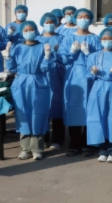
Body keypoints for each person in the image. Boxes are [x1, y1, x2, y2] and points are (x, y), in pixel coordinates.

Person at [59, 8, 102, 157]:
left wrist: (88, 54)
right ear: (76, 19)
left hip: (90, 77)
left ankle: (86, 143)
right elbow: (63, 59)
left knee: (90, 110)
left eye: (86, 17)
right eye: (80, 17)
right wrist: (72, 52)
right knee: (74, 109)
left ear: (90, 20)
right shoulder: (68, 38)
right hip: (73, 76)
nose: (83, 20)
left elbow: (99, 60)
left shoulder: (95, 39)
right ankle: (74, 143)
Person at [6, 21, 51, 161]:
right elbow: (12, 68)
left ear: (36, 31)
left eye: (32, 29)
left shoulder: (43, 47)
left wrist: (48, 57)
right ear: (22, 32)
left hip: (38, 82)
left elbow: (44, 69)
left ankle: (37, 148)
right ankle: (25, 148)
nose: (29, 32)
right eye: (26, 29)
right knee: (22, 114)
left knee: (38, 114)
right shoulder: (18, 47)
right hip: (21, 83)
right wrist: (8, 56)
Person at [86, 27, 112, 163]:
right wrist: (92, 72)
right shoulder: (94, 56)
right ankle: (102, 149)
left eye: (110, 39)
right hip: (98, 88)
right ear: (100, 40)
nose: (107, 41)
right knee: (99, 118)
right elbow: (88, 74)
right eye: (104, 39)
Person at [37, 12, 66, 149]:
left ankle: (58, 139)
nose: (49, 24)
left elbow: (67, 57)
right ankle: (44, 138)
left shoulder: (62, 38)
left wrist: (60, 53)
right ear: (42, 23)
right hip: (41, 76)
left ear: (56, 23)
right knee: (42, 107)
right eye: (47, 22)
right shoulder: (37, 39)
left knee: (57, 106)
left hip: (57, 75)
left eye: (51, 22)